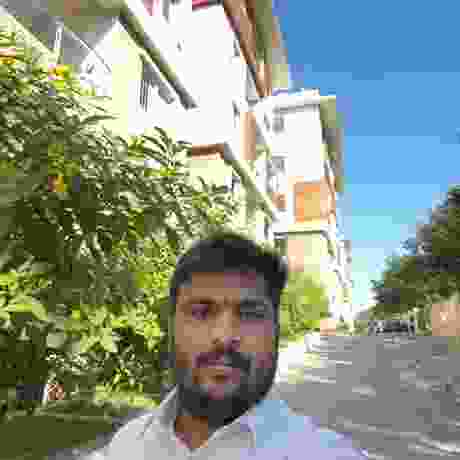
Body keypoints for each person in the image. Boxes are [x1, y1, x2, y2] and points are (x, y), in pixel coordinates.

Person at [98, 232, 368, 459]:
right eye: (201, 312)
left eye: (249, 314)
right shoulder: (127, 445)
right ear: (171, 326)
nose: (224, 337)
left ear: (276, 331)